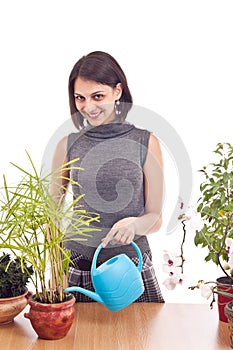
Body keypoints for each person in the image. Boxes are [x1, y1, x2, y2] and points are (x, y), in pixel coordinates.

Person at [51, 51, 164, 303]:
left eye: (97, 96)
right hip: (77, 268)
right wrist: (53, 268)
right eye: (80, 98)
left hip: (131, 269)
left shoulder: (145, 142)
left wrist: (134, 225)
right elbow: (51, 214)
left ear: (118, 91)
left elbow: (155, 217)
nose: (88, 107)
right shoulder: (67, 145)